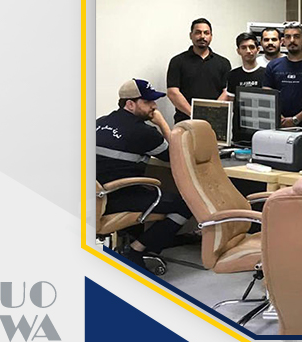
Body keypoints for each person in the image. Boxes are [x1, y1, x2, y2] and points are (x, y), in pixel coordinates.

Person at [96, 79, 192, 272]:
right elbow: (176, 157)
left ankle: (129, 245)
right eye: (148, 102)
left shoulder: (99, 123)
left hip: (93, 198)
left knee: (146, 191)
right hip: (117, 197)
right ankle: (135, 250)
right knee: (187, 203)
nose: (154, 106)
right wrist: (162, 123)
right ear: (130, 104)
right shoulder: (143, 132)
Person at [263, 22, 302, 128]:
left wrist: (295, 120)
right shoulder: (273, 66)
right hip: (280, 126)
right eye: (288, 37)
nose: (292, 40)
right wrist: (279, 117)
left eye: (296, 36)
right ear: (283, 41)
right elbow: (266, 95)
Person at [166, 18, 231, 123]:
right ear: (190, 35)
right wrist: (194, 114)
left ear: (211, 36)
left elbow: (227, 92)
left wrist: (212, 113)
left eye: (206, 33)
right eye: (198, 32)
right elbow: (172, 92)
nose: (202, 36)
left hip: (215, 121)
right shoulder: (177, 61)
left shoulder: (223, 63)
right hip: (185, 121)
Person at [220, 32, 266, 140]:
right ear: (238, 51)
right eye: (244, 47)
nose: (248, 51)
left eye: (251, 47)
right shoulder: (232, 75)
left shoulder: (267, 73)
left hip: (262, 132)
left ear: (258, 49)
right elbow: (232, 103)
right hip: (239, 133)